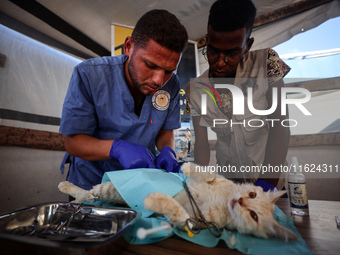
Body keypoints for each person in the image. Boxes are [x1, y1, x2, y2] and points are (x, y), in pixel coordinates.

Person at [59, 9, 188, 190]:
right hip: (92, 184)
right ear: (128, 46)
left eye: (169, 71)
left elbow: (165, 131)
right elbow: (73, 143)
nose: (159, 80)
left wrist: (168, 151)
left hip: (139, 184)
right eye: (150, 65)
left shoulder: (172, 84)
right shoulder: (89, 75)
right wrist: (115, 148)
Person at [186, 0, 291, 190]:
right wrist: (197, 183)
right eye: (212, 51)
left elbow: (280, 128)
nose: (219, 63)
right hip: (228, 187)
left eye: (232, 53)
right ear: (208, 39)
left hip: (269, 183)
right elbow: (201, 144)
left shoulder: (266, 64)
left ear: (247, 45)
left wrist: (266, 184)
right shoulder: (195, 89)